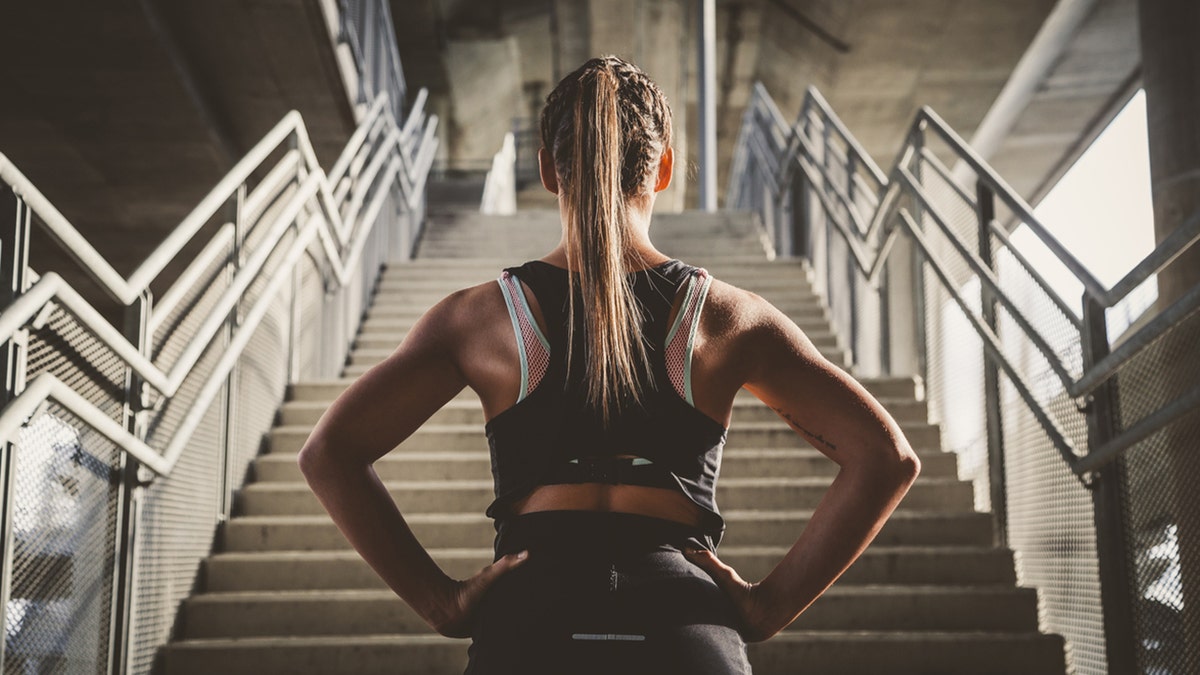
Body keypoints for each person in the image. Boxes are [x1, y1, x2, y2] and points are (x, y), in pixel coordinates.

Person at [298, 55, 921, 674]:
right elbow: (885, 456)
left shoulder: (478, 319)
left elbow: (329, 452)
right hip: (683, 627)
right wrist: (765, 609)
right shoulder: (727, 316)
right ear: (665, 169)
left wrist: (443, 604)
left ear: (547, 168)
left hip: (529, 624)